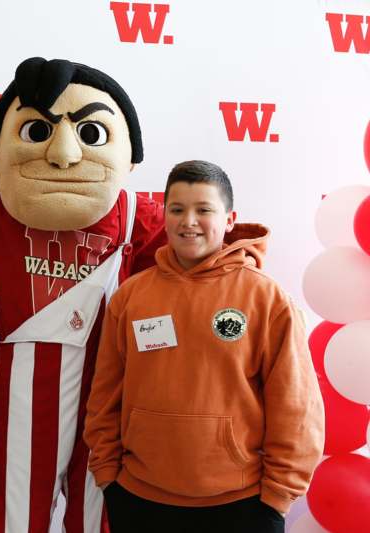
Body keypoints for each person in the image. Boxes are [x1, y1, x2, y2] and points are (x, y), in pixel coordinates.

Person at [0, 58, 166, 533]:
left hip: (108, 392)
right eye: (39, 132)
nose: (63, 153)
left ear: (130, 156)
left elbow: (195, 260)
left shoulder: (136, 211)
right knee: (13, 519)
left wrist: (242, 255)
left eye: (90, 135)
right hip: (22, 394)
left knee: (97, 517)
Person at [83, 160, 325, 533]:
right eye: (177, 209)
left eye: (203, 210)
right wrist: (106, 476)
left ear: (229, 219)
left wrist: (278, 497)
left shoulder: (266, 298)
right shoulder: (132, 295)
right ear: (164, 215)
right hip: (139, 498)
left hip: (240, 505)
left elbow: (296, 408)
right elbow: (105, 395)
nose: (188, 221)